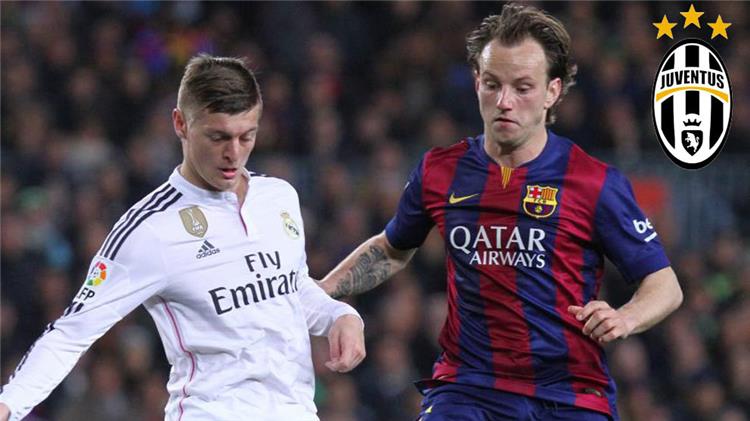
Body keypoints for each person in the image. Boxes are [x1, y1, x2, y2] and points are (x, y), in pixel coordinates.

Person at [320, 3, 682, 421]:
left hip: (569, 395)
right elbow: (392, 248)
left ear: (552, 92)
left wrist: (626, 317)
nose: (504, 102)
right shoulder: (441, 170)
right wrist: (321, 290)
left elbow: (665, 285)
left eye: (523, 88)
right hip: (468, 389)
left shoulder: (593, 182)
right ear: (477, 82)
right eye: (492, 84)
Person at [0, 54, 365, 421]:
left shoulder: (279, 198)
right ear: (181, 124)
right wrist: (8, 405)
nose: (233, 153)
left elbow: (289, 288)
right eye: (218, 137)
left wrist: (339, 315)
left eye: (246, 136)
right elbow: (71, 333)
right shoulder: (151, 228)